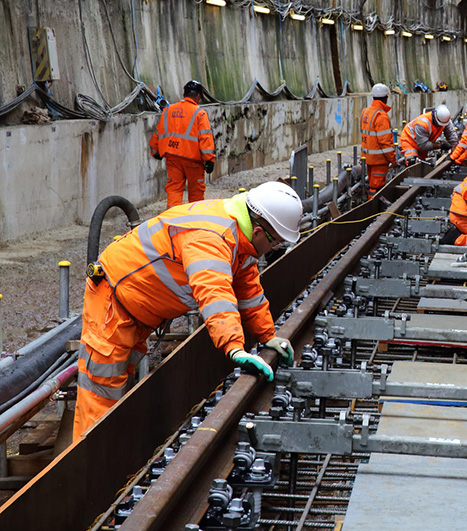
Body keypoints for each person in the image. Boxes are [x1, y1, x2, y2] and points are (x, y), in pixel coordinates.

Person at [74, 182, 303, 440]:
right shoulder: (210, 238)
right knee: (101, 394)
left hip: (139, 306)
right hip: (114, 301)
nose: (275, 249)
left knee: (119, 384)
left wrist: (267, 335)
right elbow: (215, 294)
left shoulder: (241, 235)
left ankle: (109, 446)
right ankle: (87, 465)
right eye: (276, 242)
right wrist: (234, 347)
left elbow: (248, 288)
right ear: (260, 231)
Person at [149, 80, 216, 207]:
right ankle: (194, 221)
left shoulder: (168, 110)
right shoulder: (199, 113)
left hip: (173, 158)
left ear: (184, 93)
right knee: (196, 193)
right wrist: (209, 160)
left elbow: (158, 132)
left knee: (174, 190)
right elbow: (205, 138)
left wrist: (155, 150)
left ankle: (173, 221)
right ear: (198, 96)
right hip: (193, 161)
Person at [360, 83, 397, 196]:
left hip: (367, 157)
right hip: (379, 160)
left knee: (372, 184)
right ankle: (374, 210)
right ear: (385, 97)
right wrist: (393, 160)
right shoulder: (381, 116)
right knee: (376, 187)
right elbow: (385, 143)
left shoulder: (365, 112)